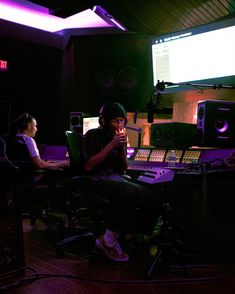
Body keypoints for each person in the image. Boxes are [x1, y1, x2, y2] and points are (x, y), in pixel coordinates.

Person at [82, 102, 161, 263]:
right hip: (96, 179)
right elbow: (89, 165)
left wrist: (122, 147)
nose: (119, 124)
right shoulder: (92, 135)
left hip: (114, 177)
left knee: (152, 196)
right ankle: (108, 241)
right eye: (115, 121)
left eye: (121, 120)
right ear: (104, 121)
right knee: (129, 192)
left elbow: (123, 168)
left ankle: (139, 236)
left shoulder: (117, 139)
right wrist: (111, 145)